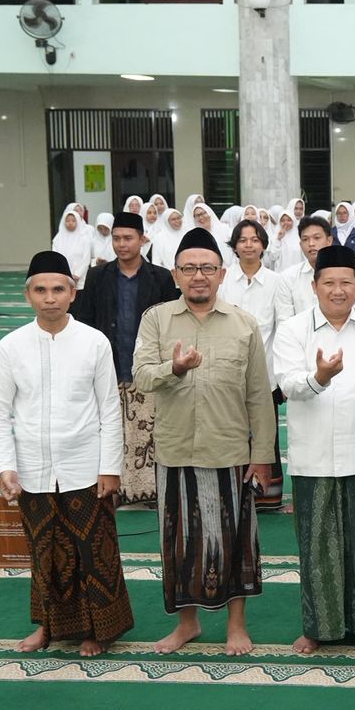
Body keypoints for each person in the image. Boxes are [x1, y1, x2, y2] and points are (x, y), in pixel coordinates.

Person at [133, 228, 276, 656]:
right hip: (175, 450)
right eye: (190, 268)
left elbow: (259, 395)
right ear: (175, 274)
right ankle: (187, 624)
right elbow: (141, 377)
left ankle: (236, 625)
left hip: (229, 451)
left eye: (208, 268)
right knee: (179, 542)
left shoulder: (244, 324)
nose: (199, 276)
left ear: (222, 274)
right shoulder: (156, 319)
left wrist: (262, 455)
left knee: (237, 541)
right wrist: (174, 369)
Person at [0, 251, 133, 657]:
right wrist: (6, 467)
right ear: (28, 295)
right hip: (32, 469)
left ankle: (98, 630)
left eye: (57, 289)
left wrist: (110, 468)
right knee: (44, 553)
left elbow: (110, 409)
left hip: (85, 465)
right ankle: (48, 627)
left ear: (72, 293)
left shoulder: (94, 342)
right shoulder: (10, 346)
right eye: (40, 290)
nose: (49, 298)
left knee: (93, 553)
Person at [273, 245, 355, 653]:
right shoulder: (293, 330)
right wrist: (319, 377)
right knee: (318, 546)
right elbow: (288, 384)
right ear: (314, 286)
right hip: (313, 459)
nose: (337, 290)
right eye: (329, 282)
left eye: (345, 282)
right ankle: (319, 627)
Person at [70, 211, 181, 505]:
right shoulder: (98, 276)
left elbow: (171, 325)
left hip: (147, 369)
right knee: (112, 432)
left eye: (128, 238)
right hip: (109, 366)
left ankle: (150, 491)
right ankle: (115, 490)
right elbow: (85, 320)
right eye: (116, 238)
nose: (121, 244)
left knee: (148, 432)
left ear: (142, 240)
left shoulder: (160, 277)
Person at [218, 218, 292, 510]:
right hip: (228, 368)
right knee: (230, 430)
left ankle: (267, 495)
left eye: (254, 239)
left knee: (265, 432)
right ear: (234, 246)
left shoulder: (276, 281)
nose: (248, 245)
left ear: (263, 244)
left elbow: (284, 327)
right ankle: (234, 492)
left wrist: (283, 374)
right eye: (242, 239)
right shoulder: (223, 279)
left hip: (266, 369)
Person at [277, 215, 335, 317]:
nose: (311, 244)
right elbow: (284, 319)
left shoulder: (346, 273)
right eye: (305, 239)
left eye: (317, 238)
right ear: (300, 244)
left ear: (329, 241)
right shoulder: (288, 277)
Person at [50, 206, 94, 288]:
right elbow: (55, 257)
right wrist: (64, 274)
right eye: (67, 221)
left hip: (80, 279)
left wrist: (77, 274)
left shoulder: (84, 239)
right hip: (62, 277)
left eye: (73, 221)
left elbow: (86, 259)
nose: (70, 223)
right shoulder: (58, 239)